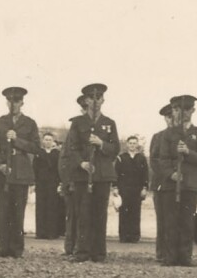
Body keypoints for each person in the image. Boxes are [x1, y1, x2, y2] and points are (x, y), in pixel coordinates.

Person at [63, 84, 119, 262]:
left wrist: (102, 144)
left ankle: (98, 252)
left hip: (102, 174)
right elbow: (72, 148)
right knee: (83, 213)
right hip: (83, 174)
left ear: (103, 100)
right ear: (86, 100)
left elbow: (115, 148)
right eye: (91, 98)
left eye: (99, 98)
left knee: (99, 214)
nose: (95, 102)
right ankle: (82, 251)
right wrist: (82, 163)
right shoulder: (78, 123)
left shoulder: (109, 123)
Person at [150, 95, 197, 266]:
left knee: (187, 221)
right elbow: (162, 158)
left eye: (186, 110)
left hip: (190, 184)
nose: (182, 114)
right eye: (177, 109)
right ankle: (170, 256)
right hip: (171, 184)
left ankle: (185, 256)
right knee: (170, 221)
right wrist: (171, 174)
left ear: (193, 111)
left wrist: (189, 152)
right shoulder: (167, 134)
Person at [0, 87, 39, 257]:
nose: (13, 104)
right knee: (3, 210)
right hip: (3, 170)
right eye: (10, 100)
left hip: (21, 171)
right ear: (6, 102)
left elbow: (35, 147)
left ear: (22, 102)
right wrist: (0, 164)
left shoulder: (30, 123)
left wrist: (17, 140)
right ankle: (2, 247)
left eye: (17, 101)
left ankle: (17, 248)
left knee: (18, 211)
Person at [147, 103, 173, 262]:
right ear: (165, 119)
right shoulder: (158, 136)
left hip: (180, 183)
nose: (171, 120)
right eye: (168, 117)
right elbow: (154, 160)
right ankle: (162, 252)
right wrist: (168, 175)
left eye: (173, 116)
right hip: (163, 183)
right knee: (163, 220)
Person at [114, 136, 148, 242]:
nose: (132, 145)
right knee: (123, 212)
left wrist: (144, 188)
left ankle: (134, 236)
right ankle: (123, 236)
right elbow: (116, 173)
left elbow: (145, 174)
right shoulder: (121, 157)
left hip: (137, 189)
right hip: (124, 189)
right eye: (130, 143)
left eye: (134, 143)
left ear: (137, 145)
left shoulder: (141, 158)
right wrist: (115, 187)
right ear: (127, 144)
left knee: (135, 212)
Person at [33, 133, 63, 239]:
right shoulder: (39, 153)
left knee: (52, 207)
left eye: (50, 140)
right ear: (43, 141)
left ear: (53, 141)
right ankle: (40, 232)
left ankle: (52, 232)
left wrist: (60, 183)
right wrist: (34, 182)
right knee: (41, 207)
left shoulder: (57, 154)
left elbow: (59, 169)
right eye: (46, 139)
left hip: (53, 183)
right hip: (41, 183)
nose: (48, 142)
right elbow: (35, 168)